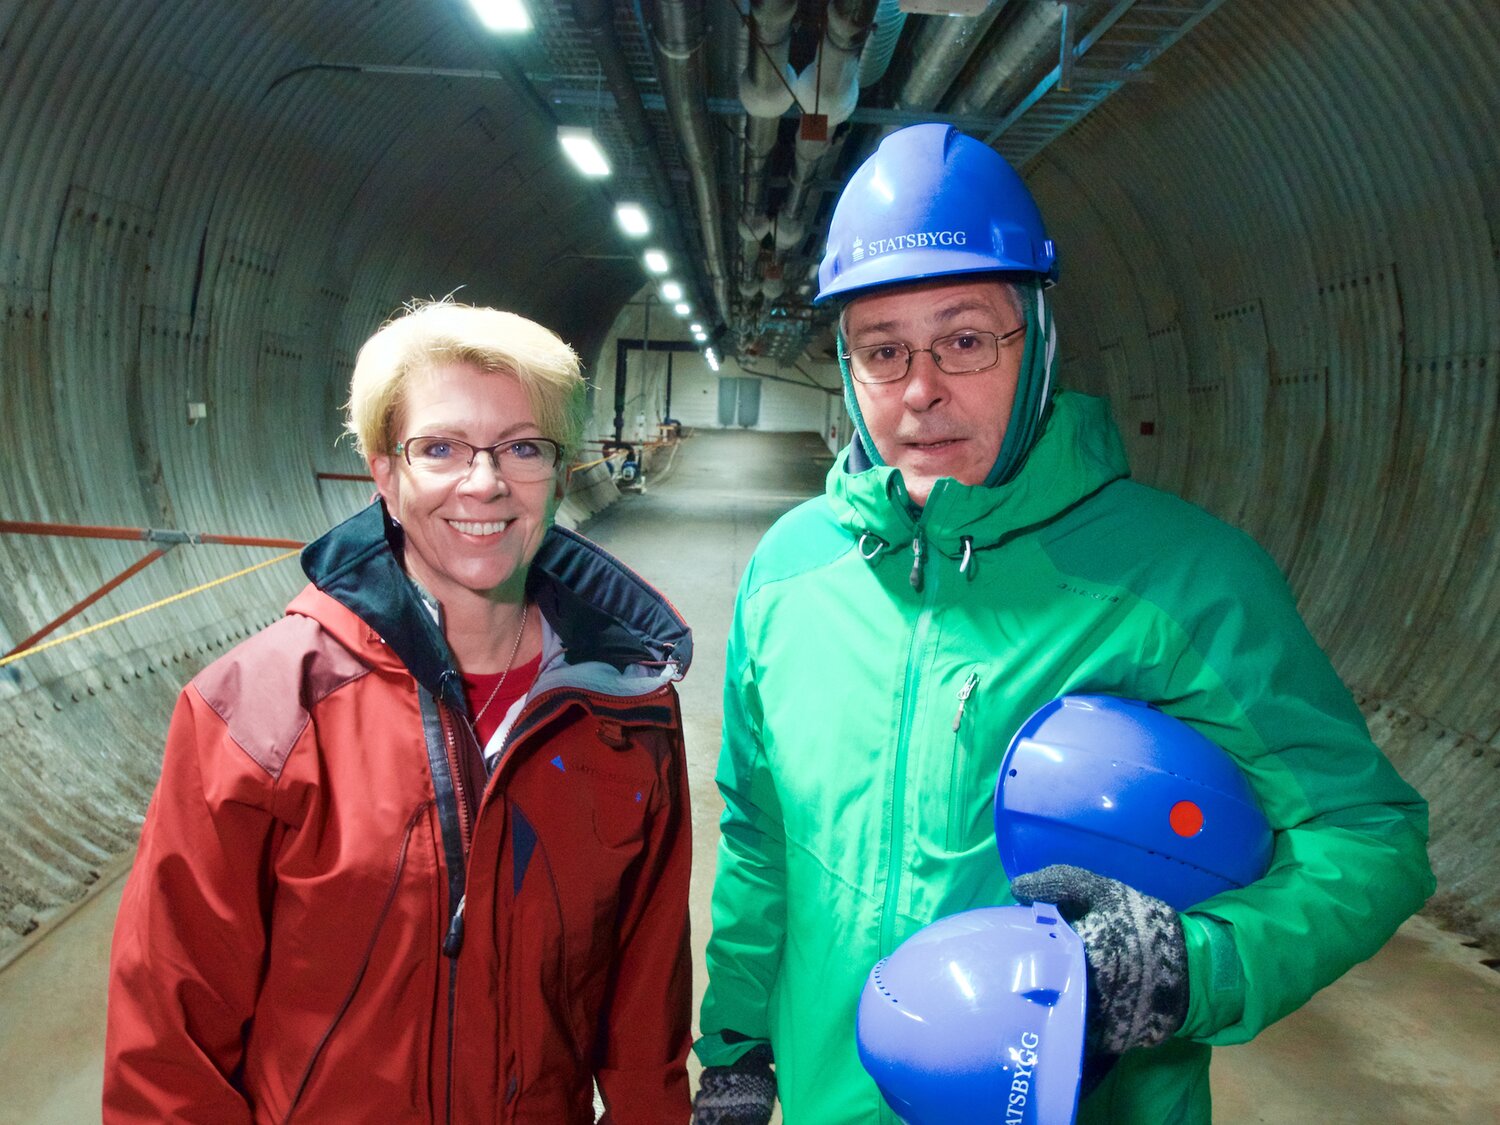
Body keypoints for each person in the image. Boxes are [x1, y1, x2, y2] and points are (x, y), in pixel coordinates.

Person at [690, 123, 1434, 1124]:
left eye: (964, 340)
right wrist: (736, 1054)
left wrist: (1188, 970)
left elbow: (1366, 834)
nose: (920, 390)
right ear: (846, 363)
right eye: (883, 350)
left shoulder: (1181, 578)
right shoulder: (791, 571)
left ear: (1037, 338)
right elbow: (761, 840)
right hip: (836, 1098)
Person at [105, 300, 694, 1123]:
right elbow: (170, 1047)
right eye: (440, 448)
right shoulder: (259, 713)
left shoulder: (628, 711)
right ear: (385, 471)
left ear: (563, 473)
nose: (483, 482)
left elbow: (645, 1024)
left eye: (523, 447)